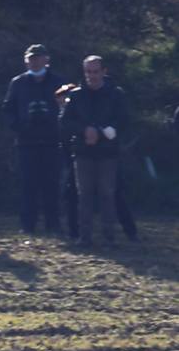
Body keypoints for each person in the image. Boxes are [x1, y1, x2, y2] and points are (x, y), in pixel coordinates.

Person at [56, 83, 138, 243]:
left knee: (110, 194)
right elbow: (66, 128)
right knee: (79, 195)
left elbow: (122, 121)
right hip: (80, 153)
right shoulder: (73, 104)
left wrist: (99, 133)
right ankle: (79, 234)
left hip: (106, 153)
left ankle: (123, 232)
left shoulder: (112, 94)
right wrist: (82, 133)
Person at [2, 43, 68, 235]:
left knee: (52, 184)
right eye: (31, 58)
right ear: (26, 61)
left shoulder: (58, 81)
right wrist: (20, 126)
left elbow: (69, 108)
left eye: (38, 57)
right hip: (26, 142)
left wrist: (56, 123)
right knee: (27, 184)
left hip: (52, 142)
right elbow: (8, 109)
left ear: (46, 60)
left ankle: (53, 224)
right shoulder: (18, 83)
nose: (35, 61)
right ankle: (28, 224)